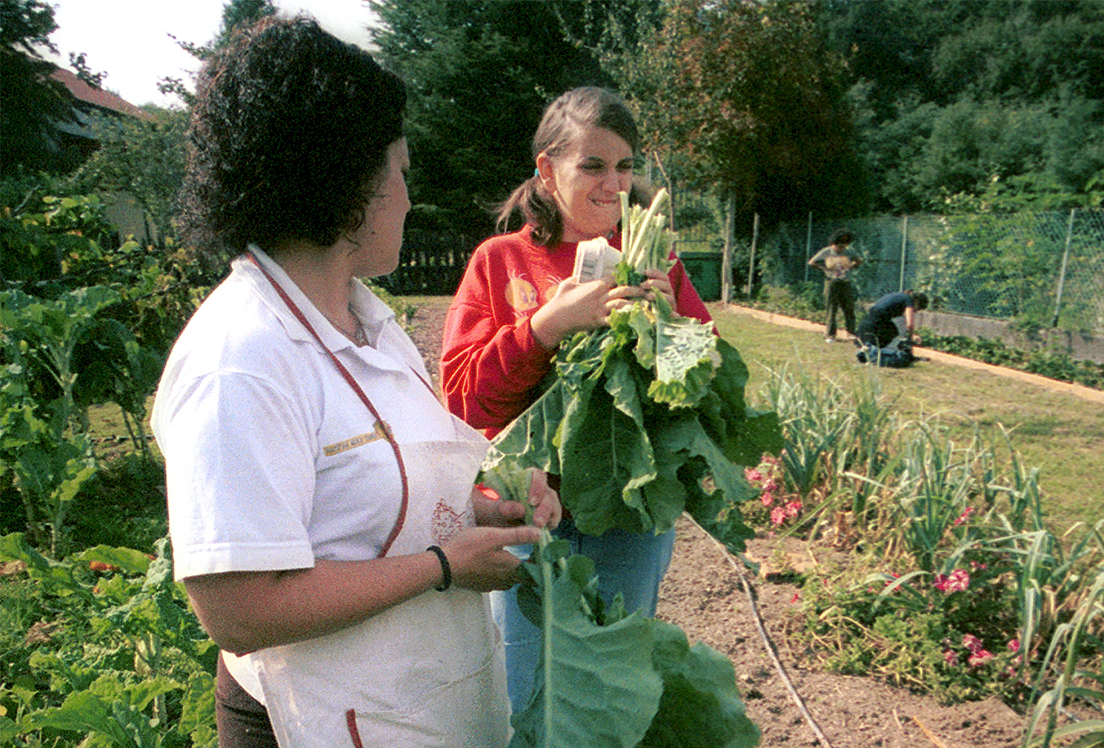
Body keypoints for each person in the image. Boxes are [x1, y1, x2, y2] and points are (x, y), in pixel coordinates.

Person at [151, 16, 559, 748]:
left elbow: (366, 506)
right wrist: (440, 567)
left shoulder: (366, 323)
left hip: (412, 699)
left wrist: (479, 512)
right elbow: (238, 608)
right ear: (348, 186)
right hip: (317, 717)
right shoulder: (241, 358)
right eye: (399, 171)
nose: (406, 196)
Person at [439, 86, 713, 711]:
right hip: (524, 514)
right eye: (592, 165)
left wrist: (674, 330)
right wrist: (546, 325)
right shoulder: (500, 261)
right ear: (547, 169)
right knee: (529, 686)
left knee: (612, 686)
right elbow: (463, 400)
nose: (613, 183)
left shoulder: (656, 263)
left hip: (627, 515)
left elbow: (703, 392)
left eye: (624, 166)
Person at [808, 229, 863, 342]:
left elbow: (859, 260)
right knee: (832, 308)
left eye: (843, 246)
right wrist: (823, 269)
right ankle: (830, 334)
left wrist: (851, 266)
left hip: (845, 281)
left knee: (848, 307)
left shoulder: (849, 251)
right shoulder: (827, 251)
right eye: (839, 246)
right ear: (834, 244)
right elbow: (812, 262)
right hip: (831, 282)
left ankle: (851, 332)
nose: (841, 249)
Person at [856, 288, 930, 349]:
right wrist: (911, 337)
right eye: (919, 308)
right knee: (893, 334)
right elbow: (909, 324)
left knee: (893, 331)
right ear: (916, 301)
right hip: (879, 319)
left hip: (870, 317)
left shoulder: (900, 296)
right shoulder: (908, 300)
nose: (916, 311)